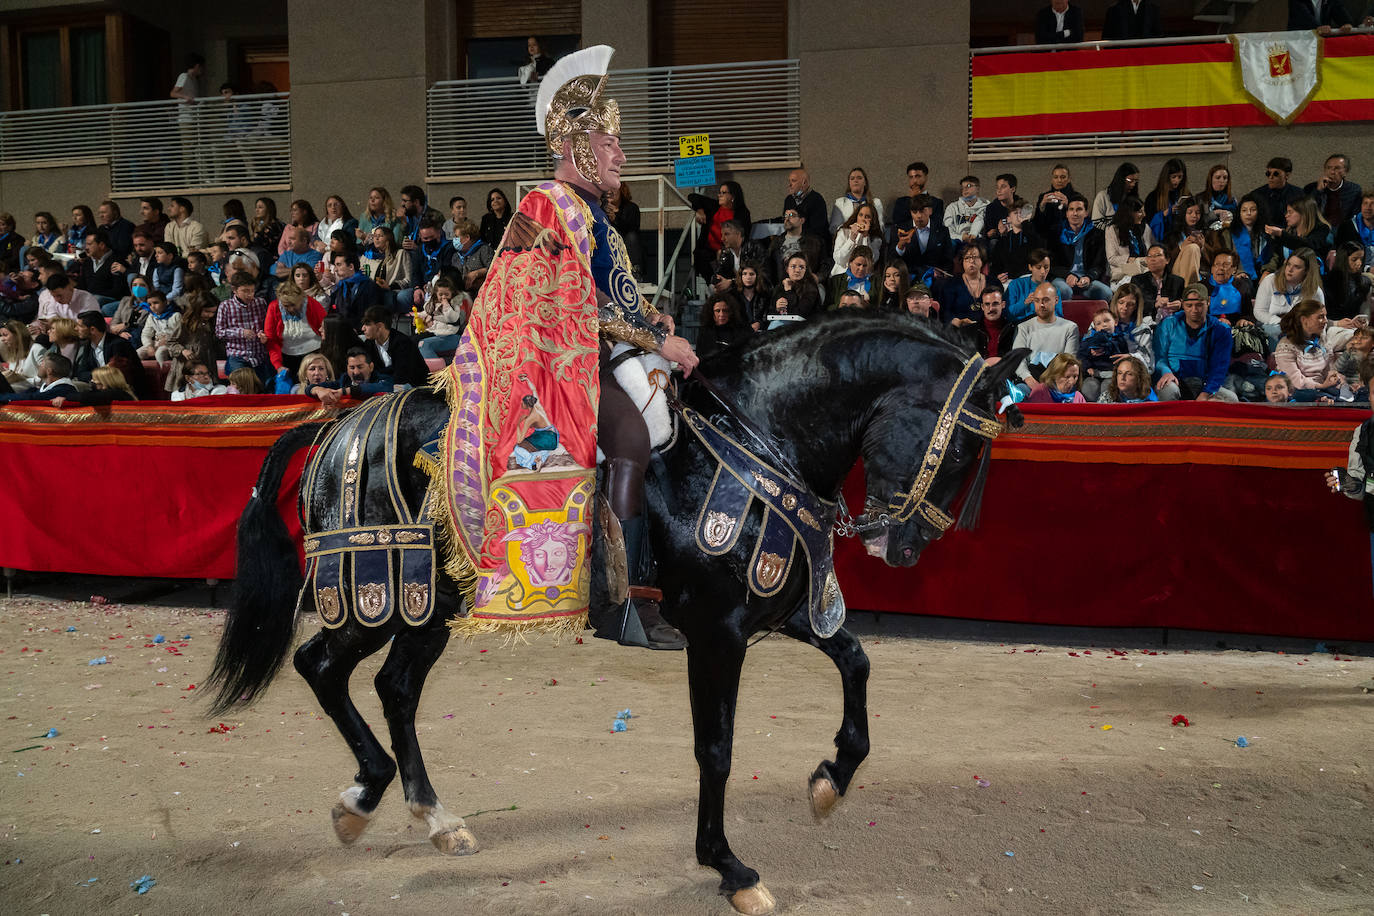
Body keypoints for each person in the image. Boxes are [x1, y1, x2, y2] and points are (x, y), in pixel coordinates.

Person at [1153, 283, 1239, 401]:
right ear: (1182, 304)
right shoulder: (1168, 324)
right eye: (1189, 305)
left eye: (1199, 305)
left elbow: (1219, 367)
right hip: (1174, 380)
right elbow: (1159, 358)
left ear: (1208, 302)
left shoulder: (1221, 330)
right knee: (1169, 390)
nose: (1194, 310)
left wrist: (1206, 392)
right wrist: (1166, 372)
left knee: (1231, 399)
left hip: (1205, 383)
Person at [1274, 300, 1354, 401]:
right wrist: (1321, 386)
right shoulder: (1285, 346)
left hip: (1322, 388)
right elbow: (1296, 382)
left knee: (1354, 394)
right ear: (1304, 320)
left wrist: (1338, 381)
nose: (1325, 321)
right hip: (1301, 392)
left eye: (1325, 316)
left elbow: (1328, 371)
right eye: (1320, 317)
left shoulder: (1321, 339)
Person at [1012, 282, 1081, 389]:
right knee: (1021, 389)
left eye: (1046, 300)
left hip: (1059, 381)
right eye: (1037, 300)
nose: (1041, 305)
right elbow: (1018, 360)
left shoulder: (1070, 328)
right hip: (1030, 381)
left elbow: (1069, 362)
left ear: (1056, 300)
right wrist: (1029, 379)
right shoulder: (1023, 327)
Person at [1255, 248, 1325, 348]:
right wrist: (1281, 323)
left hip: (1302, 329)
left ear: (1307, 271)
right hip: (1272, 326)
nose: (1290, 270)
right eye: (1288, 264)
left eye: (1297, 267)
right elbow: (1259, 311)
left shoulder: (1315, 291)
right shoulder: (1270, 281)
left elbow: (1320, 318)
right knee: (1276, 331)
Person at [1048, 195, 1112, 301]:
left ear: (1086, 213)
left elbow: (1099, 264)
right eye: (1071, 209)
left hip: (1086, 279)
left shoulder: (1097, 235)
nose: (1075, 213)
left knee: (1106, 293)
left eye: (1079, 209)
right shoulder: (1056, 233)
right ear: (1066, 213)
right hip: (1063, 278)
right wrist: (1067, 275)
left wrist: (1089, 277)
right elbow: (1051, 263)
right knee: (1064, 291)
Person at [262, 277, 326, 383]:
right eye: (286, 306)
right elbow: (272, 340)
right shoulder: (273, 307)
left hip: (314, 354)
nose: (290, 309)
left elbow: (326, 328)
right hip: (287, 358)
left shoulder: (311, 304)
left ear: (301, 299)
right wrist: (278, 365)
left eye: (293, 305)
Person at [73, 309, 147, 396]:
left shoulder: (118, 344)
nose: (76, 329)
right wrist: (98, 377)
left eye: (80, 326)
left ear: (92, 329)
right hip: (100, 387)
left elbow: (118, 374)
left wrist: (97, 377)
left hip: (122, 390)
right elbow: (81, 373)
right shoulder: (88, 346)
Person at [215, 270, 271, 384]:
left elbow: (266, 325)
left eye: (252, 290)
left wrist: (262, 334)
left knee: (265, 386)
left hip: (259, 354)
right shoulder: (225, 306)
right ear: (234, 290)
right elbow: (219, 332)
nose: (250, 295)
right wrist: (241, 333)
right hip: (238, 355)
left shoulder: (260, 303)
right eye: (245, 291)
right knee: (242, 385)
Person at [691, 182, 750, 283]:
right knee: (700, 255)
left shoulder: (742, 213)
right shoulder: (714, 206)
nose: (719, 195)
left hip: (730, 250)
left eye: (723, 193)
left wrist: (723, 250)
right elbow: (693, 197)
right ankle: (712, 283)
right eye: (719, 192)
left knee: (728, 263)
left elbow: (743, 237)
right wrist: (700, 210)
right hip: (708, 250)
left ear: (732, 196)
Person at [360, 305, 428, 388]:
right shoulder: (369, 343)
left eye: (367, 324)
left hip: (414, 387)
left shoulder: (403, 343)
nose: (362, 328)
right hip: (387, 385)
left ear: (379, 326)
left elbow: (402, 378)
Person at [892, 194, 953, 284]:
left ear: (930, 211)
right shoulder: (900, 230)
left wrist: (941, 274)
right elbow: (892, 260)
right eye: (914, 212)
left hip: (935, 280)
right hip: (908, 279)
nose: (919, 216)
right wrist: (900, 246)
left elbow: (948, 260)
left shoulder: (942, 231)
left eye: (922, 211)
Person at [1078, 307, 1135, 401]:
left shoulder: (1120, 340)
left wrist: (1106, 347)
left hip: (1111, 374)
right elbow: (1081, 356)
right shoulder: (1089, 340)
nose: (1104, 325)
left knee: (1108, 387)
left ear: (1115, 322)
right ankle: (1090, 409)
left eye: (1107, 321)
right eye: (1099, 323)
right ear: (1095, 327)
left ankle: (1107, 408)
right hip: (1093, 374)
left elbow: (1123, 357)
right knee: (1089, 386)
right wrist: (1087, 367)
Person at [940, 242, 997, 327]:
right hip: (960, 330)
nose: (971, 261)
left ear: (982, 260)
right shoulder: (951, 284)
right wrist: (958, 322)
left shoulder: (994, 282)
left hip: (988, 328)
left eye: (975, 257)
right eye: (967, 258)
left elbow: (1000, 309)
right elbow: (946, 314)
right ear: (962, 261)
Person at [1264, 197, 1333, 266]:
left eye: (1290, 212)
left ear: (1303, 213)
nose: (1286, 215)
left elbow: (1308, 246)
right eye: (1287, 212)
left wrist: (1281, 234)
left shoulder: (1321, 229)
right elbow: (1277, 257)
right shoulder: (1290, 231)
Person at [764, 206, 824, 285]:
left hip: (807, 285)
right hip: (782, 285)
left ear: (801, 220)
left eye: (791, 215)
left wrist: (818, 277)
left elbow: (826, 263)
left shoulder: (815, 241)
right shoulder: (776, 242)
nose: (787, 219)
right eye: (785, 216)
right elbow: (767, 266)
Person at [989, 200, 1044, 285]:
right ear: (1008, 218)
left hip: (1029, 278)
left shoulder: (1032, 235)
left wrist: (1025, 223)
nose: (1019, 215)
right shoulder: (1003, 241)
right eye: (1015, 213)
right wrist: (998, 276)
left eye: (1021, 213)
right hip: (1008, 280)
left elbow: (1038, 251)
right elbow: (996, 265)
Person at [416, 276, 470, 360]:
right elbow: (426, 312)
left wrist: (446, 306)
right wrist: (418, 317)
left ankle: (437, 367)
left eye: (446, 294)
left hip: (450, 335)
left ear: (451, 293)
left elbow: (453, 318)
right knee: (413, 340)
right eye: (440, 295)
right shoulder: (434, 304)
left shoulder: (454, 305)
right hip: (435, 332)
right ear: (436, 294)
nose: (443, 297)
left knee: (423, 344)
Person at [75, 229, 128, 313]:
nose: (86, 248)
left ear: (102, 245)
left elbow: (118, 291)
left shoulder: (117, 262)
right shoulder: (87, 262)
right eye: (86, 244)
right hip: (90, 298)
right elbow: (82, 285)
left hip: (110, 299)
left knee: (96, 299)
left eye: (89, 244)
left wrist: (91, 296)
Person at [169, 54, 205, 180]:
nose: (202, 70)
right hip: (186, 118)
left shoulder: (194, 80)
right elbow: (173, 93)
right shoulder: (184, 76)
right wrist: (185, 97)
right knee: (188, 150)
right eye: (201, 67)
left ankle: (197, 177)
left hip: (194, 118)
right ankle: (188, 179)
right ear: (197, 66)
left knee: (196, 148)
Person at [326, 250, 380, 330]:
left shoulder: (369, 287)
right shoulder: (339, 288)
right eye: (335, 265)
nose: (335, 270)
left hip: (362, 332)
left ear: (351, 266)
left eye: (339, 265)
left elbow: (372, 315)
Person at [438, 220, 492, 298]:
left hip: (483, 295)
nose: (454, 240)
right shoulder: (455, 256)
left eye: (456, 237)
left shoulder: (484, 250)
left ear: (467, 238)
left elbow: (494, 268)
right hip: (461, 296)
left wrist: (477, 273)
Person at [889, 161, 946, 235]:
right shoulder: (901, 202)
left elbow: (936, 224)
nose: (914, 181)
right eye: (911, 177)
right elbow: (898, 223)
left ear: (925, 177)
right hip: (907, 237)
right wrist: (912, 199)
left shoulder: (936, 202)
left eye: (918, 176)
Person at [1249, 157, 1306, 229]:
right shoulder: (1256, 195)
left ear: (1287, 175)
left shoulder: (1299, 194)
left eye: (1276, 174)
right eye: (1268, 174)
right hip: (1265, 232)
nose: (1271, 177)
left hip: (1291, 233)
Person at [1105, 197, 1153, 282]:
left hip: (1144, 267)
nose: (1144, 215)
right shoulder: (1113, 229)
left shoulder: (1144, 227)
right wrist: (1130, 259)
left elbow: (1153, 248)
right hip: (1124, 270)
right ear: (1129, 213)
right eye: (1140, 212)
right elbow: (1112, 258)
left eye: (1143, 211)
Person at [0, 352, 78, 404]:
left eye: (42, 364)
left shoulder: (64, 389)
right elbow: (24, 394)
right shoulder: (45, 387)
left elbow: (32, 398)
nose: (38, 366)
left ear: (49, 371)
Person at [1005, 248, 1058, 323]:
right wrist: (1025, 303)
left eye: (1046, 267)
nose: (1043, 272)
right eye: (1038, 267)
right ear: (1030, 267)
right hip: (1019, 325)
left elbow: (1058, 316)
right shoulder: (1015, 285)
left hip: (1045, 326)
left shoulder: (1053, 289)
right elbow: (1007, 313)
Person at [831, 204, 883, 276]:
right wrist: (851, 239)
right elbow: (839, 259)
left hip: (863, 276)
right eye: (860, 215)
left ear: (872, 220)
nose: (863, 219)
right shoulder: (843, 232)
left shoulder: (876, 239)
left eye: (867, 217)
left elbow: (871, 261)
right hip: (842, 274)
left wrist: (865, 237)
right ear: (856, 216)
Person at [829, 167, 885, 234]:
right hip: (846, 237)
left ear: (865, 182)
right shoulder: (840, 202)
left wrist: (867, 230)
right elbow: (834, 228)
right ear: (849, 184)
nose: (855, 180)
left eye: (859, 178)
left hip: (870, 237)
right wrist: (851, 230)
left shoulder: (876, 202)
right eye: (852, 178)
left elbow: (880, 227)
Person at [1325, 241, 1372, 321]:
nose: (1359, 263)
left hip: (1355, 324)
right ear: (1343, 259)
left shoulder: (1365, 282)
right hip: (1334, 324)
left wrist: (1364, 321)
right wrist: (1337, 323)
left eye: (1361, 259)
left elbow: (1365, 311)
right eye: (1354, 259)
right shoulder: (1328, 282)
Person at [1145, 159, 1190, 238]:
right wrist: (1165, 213)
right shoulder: (1153, 197)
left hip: (1182, 234)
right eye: (1174, 177)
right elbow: (1150, 224)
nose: (1177, 180)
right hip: (1162, 238)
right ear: (1166, 177)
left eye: (1180, 177)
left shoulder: (1185, 194)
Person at [136, 290, 182, 366]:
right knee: (138, 353)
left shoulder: (176, 316)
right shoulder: (151, 317)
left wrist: (167, 339)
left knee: (160, 353)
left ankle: (163, 371)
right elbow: (146, 334)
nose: (152, 306)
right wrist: (149, 346)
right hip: (157, 342)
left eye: (156, 303)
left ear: (165, 302)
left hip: (172, 343)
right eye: (150, 304)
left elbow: (180, 333)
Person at [969, 287, 1015, 360]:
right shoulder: (970, 331)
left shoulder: (1013, 330)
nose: (991, 309)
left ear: (1003, 305)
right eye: (987, 304)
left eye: (995, 304)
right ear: (982, 307)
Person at [943, 176, 989, 248]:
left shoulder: (986, 207)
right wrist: (961, 237)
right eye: (962, 187)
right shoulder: (952, 207)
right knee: (950, 244)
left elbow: (981, 222)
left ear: (977, 188)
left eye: (969, 186)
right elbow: (947, 229)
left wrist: (973, 235)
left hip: (978, 240)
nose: (965, 189)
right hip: (957, 240)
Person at [1032, 163, 1077, 237]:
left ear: (1069, 179)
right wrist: (1042, 207)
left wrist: (1069, 206)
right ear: (1052, 180)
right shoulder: (1044, 197)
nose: (1059, 180)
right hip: (1048, 238)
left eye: (1063, 177)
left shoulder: (1076, 197)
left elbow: (1081, 222)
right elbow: (1037, 224)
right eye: (1056, 177)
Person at [784, 168, 827, 241]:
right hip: (793, 239)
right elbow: (786, 221)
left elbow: (818, 229)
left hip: (813, 242)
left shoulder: (816, 199)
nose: (789, 184)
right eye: (789, 181)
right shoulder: (789, 199)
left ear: (804, 183)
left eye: (793, 181)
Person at [0, 320, 45, 388]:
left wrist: (21, 379)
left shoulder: (37, 349)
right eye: (1, 335)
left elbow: (46, 379)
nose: (2, 339)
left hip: (35, 390)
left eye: (5, 335)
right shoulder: (13, 353)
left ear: (18, 335)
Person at [1335, 190, 1374, 266]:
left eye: (1372, 204)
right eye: (1365, 203)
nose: (1368, 208)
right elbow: (1343, 257)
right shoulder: (1347, 227)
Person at [249, 197, 285, 267]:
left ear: (268, 209)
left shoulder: (275, 226)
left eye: (260, 207)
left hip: (271, 259)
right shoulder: (259, 223)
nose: (257, 210)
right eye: (256, 207)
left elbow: (265, 244)